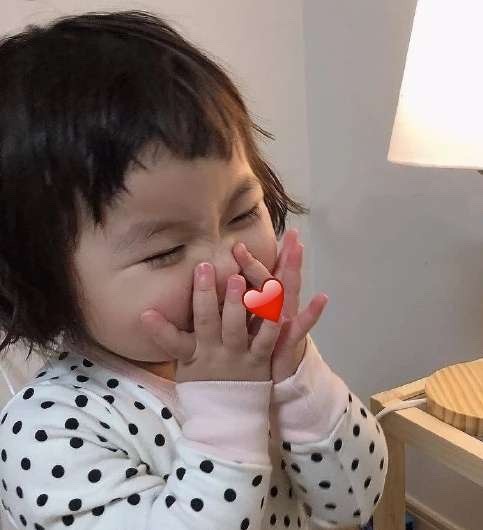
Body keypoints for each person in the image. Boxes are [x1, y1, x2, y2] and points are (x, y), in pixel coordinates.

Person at [0, 10, 387, 529]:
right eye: (164, 251)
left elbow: (356, 501)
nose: (227, 267)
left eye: (243, 213)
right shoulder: (48, 429)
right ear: (43, 286)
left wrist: (299, 376)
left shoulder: (260, 350)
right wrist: (227, 410)